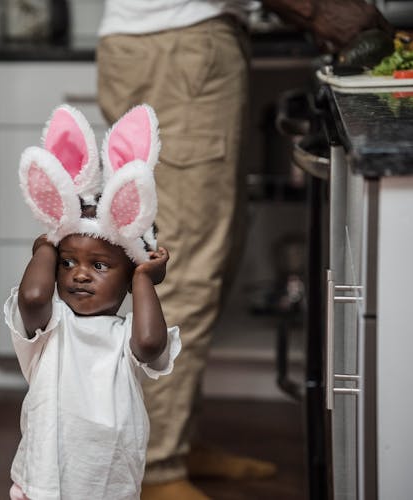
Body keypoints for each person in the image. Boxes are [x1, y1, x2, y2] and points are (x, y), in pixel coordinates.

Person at [95, 1, 392, 499]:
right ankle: (157, 468)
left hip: (173, 46)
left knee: (205, 255)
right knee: (188, 267)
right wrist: (320, 12)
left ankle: (170, 443)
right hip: (179, 48)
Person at [6, 103, 182, 499]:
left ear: (128, 272)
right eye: (68, 263)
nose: (80, 274)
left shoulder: (125, 338)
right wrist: (49, 241)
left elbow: (152, 344)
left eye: (100, 265)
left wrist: (144, 277)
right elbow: (33, 296)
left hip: (110, 484)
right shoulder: (50, 328)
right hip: (43, 482)